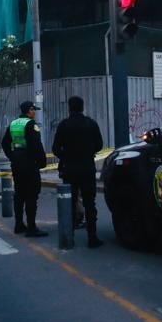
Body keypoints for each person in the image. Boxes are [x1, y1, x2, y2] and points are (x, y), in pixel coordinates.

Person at [52, 95, 105, 248]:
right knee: (90, 203)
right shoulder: (91, 124)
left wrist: (66, 156)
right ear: (82, 107)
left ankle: (69, 237)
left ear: (69, 108)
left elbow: (55, 148)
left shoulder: (64, 125)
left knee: (70, 203)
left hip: (70, 169)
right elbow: (100, 145)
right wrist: (88, 152)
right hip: (87, 168)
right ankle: (92, 237)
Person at [1, 100, 48, 238]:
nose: (35, 112)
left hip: (17, 161)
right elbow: (36, 145)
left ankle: (18, 225)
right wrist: (42, 162)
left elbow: (5, 143)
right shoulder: (31, 124)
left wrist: (12, 156)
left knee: (19, 194)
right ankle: (31, 228)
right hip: (29, 162)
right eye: (34, 109)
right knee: (31, 194)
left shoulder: (13, 123)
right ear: (29, 110)